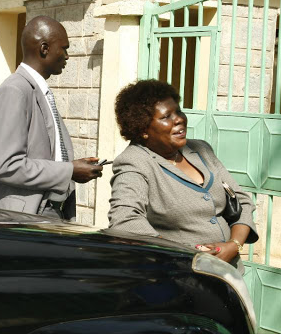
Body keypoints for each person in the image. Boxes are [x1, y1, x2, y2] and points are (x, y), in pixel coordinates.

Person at [108, 80, 258, 273]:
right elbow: (124, 220)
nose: (179, 119)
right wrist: (184, 254)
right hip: (180, 277)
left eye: (178, 111)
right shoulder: (135, 161)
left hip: (229, 273)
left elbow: (242, 200)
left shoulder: (201, 150)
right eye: (166, 116)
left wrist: (233, 244)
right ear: (143, 129)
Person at [0, 16, 103, 220]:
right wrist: (68, 170)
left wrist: (75, 166)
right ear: (44, 48)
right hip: (22, 218)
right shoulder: (15, 90)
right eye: (64, 48)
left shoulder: (37, 91)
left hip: (47, 212)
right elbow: (3, 165)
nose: (67, 57)